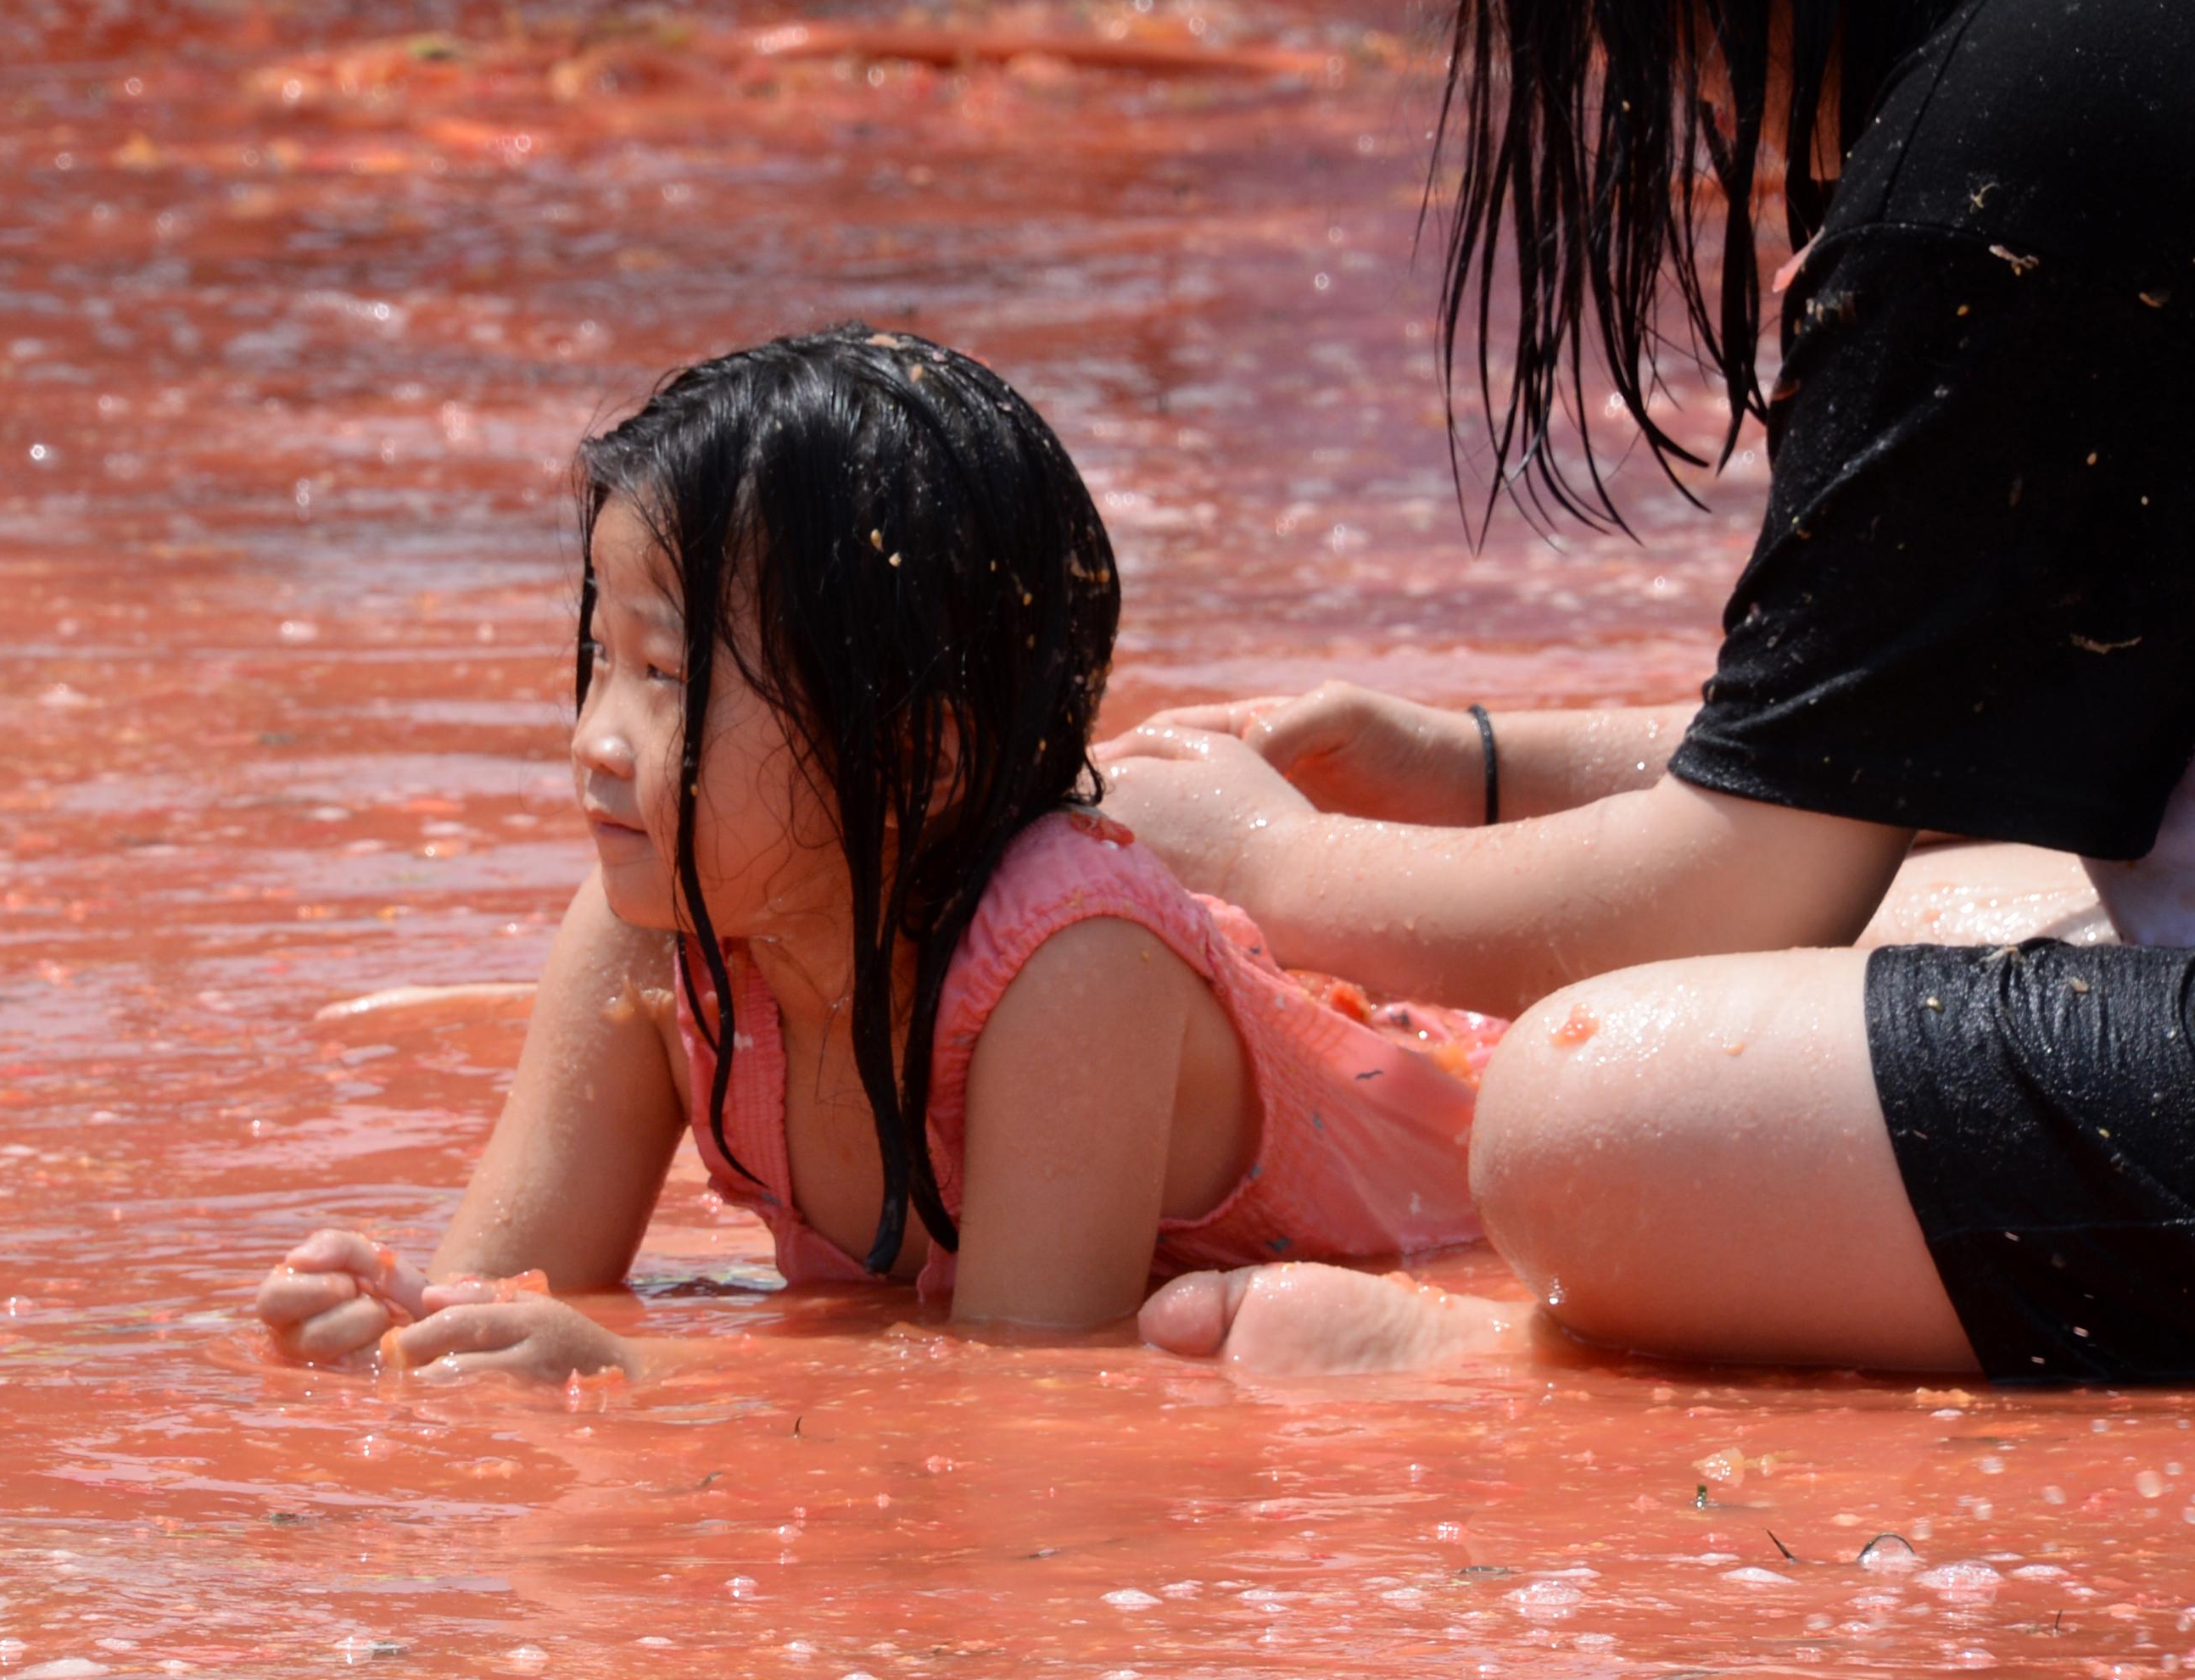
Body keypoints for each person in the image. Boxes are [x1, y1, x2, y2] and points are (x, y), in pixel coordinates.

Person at [1106, 0, 2195, 1382]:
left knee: (1600, 1111)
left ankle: (1530, 1383)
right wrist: (1465, 769)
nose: (1673, 79)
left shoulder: (2015, 125)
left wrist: (1261, 864)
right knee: (1959, 904)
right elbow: (1897, 760)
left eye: (1640, 16)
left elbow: (1730, 900)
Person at [254, 326, 1498, 1381]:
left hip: (1476, 1201)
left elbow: (1027, 1395)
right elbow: (513, 1290)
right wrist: (395, 1325)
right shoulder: (650, 934)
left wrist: (648, 1376)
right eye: (603, 662)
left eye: (667, 677)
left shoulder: (1073, 966)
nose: (596, 740)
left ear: (924, 756)